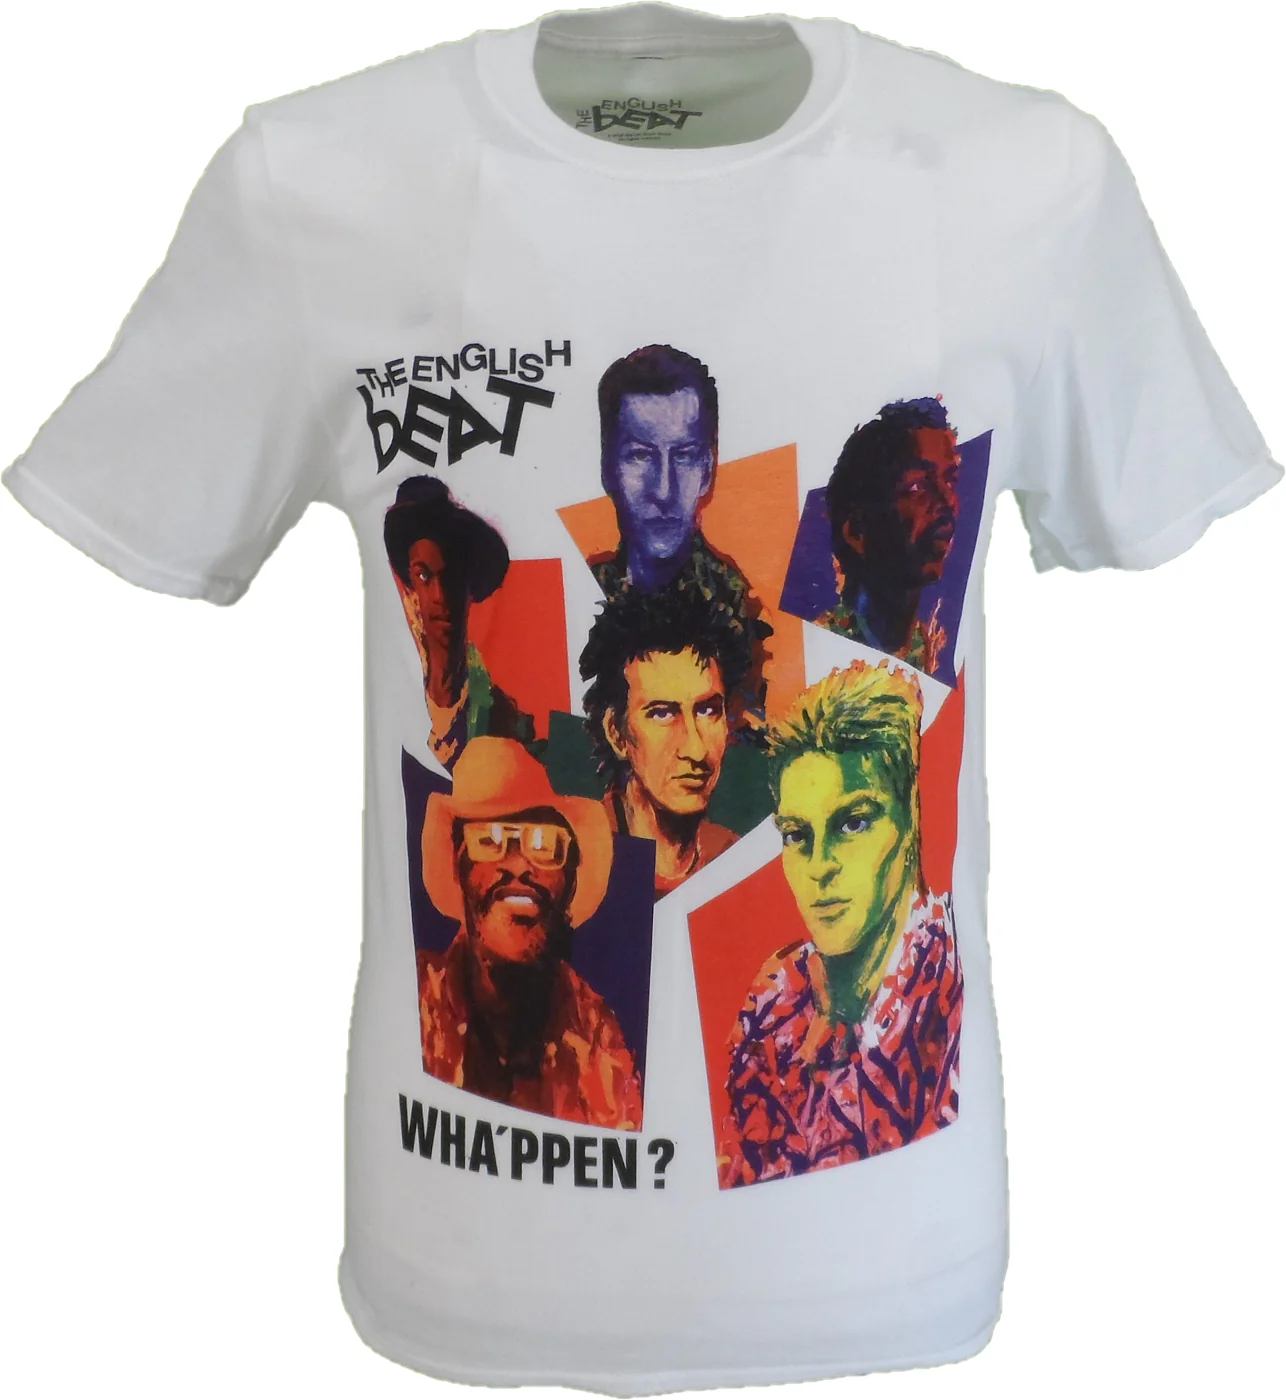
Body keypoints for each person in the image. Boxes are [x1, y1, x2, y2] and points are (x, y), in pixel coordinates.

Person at [717, 657, 962, 1188]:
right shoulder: (774, 1000)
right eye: (797, 835)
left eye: (852, 823)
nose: (820, 867)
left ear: (909, 818)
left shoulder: (951, 982)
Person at [417, 735, 643, 1129]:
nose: (520, 865)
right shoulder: (415, 1000)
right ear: (459, 866)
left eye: (544, 844)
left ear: (570, 880)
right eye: (490, 840)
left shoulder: (598, 1038)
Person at [590, 344, 772, 725]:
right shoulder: (584, 594)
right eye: (641, 456)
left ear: (708, 469)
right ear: (608, 469)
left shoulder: (745, 616)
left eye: (685, 456)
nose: (663, 489)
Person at [580, 582, 753, 900]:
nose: (696, 749)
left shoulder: (735, 861)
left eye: (708, 710)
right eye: (662, 714)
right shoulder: (577, 859)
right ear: (616, 733)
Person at [383, 475, 536, 771]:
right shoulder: (392, 689)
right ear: (411, 589)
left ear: (469, 586)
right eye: (424, 576)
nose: (440, 596)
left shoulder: (502, 718)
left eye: (452, 577)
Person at [819, 398, 962, 676]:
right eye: (918, 486)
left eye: (950, 480)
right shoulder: (826, 656)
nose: (948, 501)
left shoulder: (929, 652)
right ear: (857, 530)